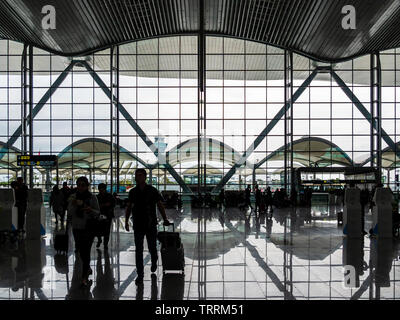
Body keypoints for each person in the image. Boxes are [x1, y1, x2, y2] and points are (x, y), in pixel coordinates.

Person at [125, 168, 171, 285]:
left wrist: (165, 218)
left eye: (140, 175)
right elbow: (129, 207)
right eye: (136, 175)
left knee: (152, 247)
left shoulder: (152, 190)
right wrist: (126, 221)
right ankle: (140, 275)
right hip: (138, 224)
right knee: (139, 250)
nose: (138, 177)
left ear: (145, 177)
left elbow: (160, 205)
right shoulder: (133, 192)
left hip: (150, 224)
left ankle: (154, 259)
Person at [67, 176, 100, 286]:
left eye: (83, 185)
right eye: (79, 184)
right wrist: (73, 204)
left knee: (86, 251)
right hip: (77, 227)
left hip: (88, 227)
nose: (80, 187)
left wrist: (90, 210)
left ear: (87, 186)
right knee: (81, 251)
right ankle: (88, 268)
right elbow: (70, 212)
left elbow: (97, 212)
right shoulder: (73, 197)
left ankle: (84, 277)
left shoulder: (92, 198)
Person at [96, 183, 116, 250]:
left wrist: (105, 205)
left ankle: (105, 244)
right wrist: (105, 205)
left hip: (107, 215)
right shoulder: (97, 197)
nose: (101, 191)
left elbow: (113, 204)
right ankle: (100, 240)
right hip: (101, 215)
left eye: (102, 189)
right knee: (98, 229)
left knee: (106, 230)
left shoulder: (109, 196)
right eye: (100, 190)